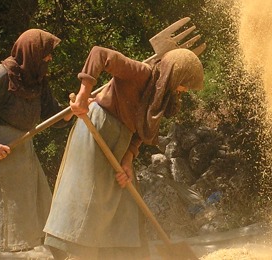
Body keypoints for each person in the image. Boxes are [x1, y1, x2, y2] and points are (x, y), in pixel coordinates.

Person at [43, 46, 204, 259]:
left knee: (125, 201)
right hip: (98, 130)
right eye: (185, 85)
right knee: (89, 197)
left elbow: (141, 129)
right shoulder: (141, 73)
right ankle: (67, 251)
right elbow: (98, 54)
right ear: (176, 74)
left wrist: (128, 159)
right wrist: (83, 95)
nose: (183, 90)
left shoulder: (161, 93)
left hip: (121, 140)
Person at [0, 29, 73, 260]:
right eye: (46, 54)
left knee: (43, 205)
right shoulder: (0, 75)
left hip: (22, 147)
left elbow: (55, 117)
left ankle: (62, 257)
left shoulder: (37, 78)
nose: (49, 58)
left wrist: (75, 108)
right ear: (32, 52)